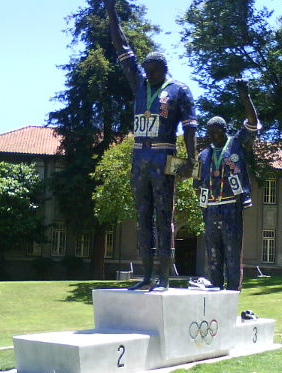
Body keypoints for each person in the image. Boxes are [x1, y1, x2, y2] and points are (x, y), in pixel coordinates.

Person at [104, 0, 198, 291]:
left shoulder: (179, 90)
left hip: (163, 156)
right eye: (143, 69)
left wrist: (191, 161)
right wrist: (110, 10)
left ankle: (164, 276)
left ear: (161, 68)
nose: (145, 73)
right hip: (139, 158)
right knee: (142, 216)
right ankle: (145, 275)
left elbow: (190, 126)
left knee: (163, 215)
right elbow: (121, 46)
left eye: (150, 69)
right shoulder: (140, 84)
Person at [195, 80, 260, 291]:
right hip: (211, 209)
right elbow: (196, 181)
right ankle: (215, 293)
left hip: (231, 205)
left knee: (232, 254)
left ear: (224, 130)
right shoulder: (203, 155)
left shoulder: (237, 143)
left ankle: (232, 294)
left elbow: (252, 121)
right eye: (209, 133)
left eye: (216, 132)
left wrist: (245, 96)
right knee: (213, 255)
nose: (212, 136)